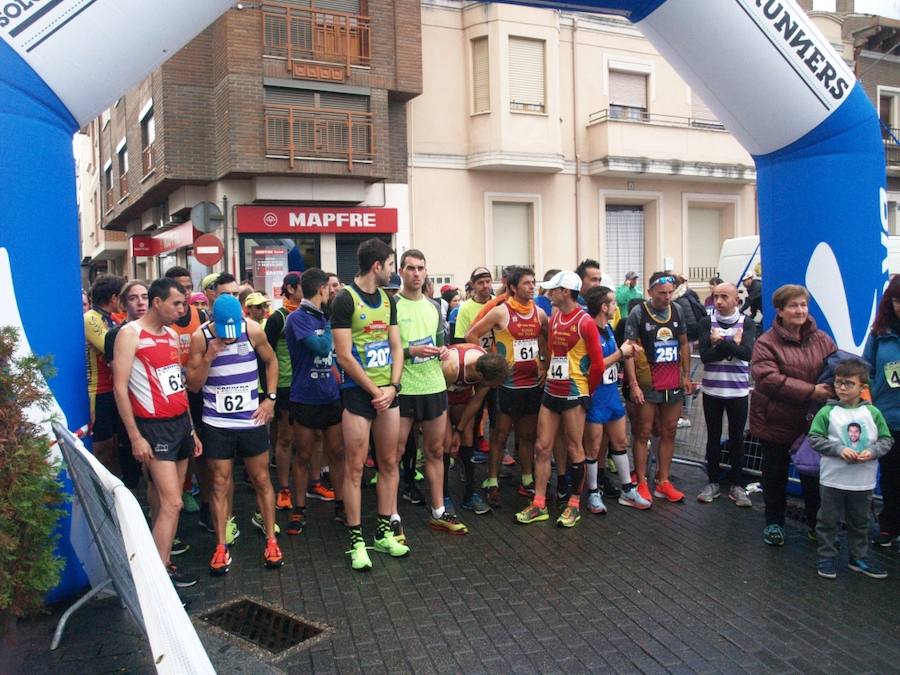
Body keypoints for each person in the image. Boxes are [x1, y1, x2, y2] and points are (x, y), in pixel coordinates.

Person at [112, 277, 201, 589]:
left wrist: (191, 429)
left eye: (184, 304)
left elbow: (178, 385)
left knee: (168, 503)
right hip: (153, 426)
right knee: (173, 502)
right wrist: (135, 435)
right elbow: (119, 388)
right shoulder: (130, 334)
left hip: (179, 423)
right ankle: (156, 580)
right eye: (176, 303)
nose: (181, 309)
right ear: (157, 302)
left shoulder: (172, 336)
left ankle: (163, 563)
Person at [186, 294, 283, 575]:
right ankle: (220, 545)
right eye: (224, 333)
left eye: (233, 332)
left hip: (250, 419)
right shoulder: (200, 338)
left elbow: (272, 362)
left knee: (261, 478)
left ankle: (271, 539)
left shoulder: (252, 329)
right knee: (219, 482)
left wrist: (271, 399)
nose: (230, 338)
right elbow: (192, 385)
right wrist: (209, 356)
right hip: (217, 422)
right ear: (212, 320)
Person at [332, 238, 407, 570]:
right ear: (377, 266)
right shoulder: (344, 300)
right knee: (355, 467)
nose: (393, 270)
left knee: (390, 462)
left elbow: (396, 345)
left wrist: (392, 385)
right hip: (358, 394)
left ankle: (383, 532)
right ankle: (355, 540)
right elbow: (344, 356)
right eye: (390, 264)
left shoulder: (389, 300)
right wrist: (374, 390)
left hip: (387, 393)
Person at [515, 271, 604, 528]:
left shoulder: (585, 321)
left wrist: (586, 391)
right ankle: (539, 503)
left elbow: (597, 364)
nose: (549, 293)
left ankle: (574, 504)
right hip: (552, 391)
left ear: (565, 292)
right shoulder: (554, 318)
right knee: (542, 448)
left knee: (575, 449)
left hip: (574, 393)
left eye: (554, 289)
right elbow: (552, 352)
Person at [750, 284, 835, 546]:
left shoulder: (822, 339)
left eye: (803, 305)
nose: (800, 310)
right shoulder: (766, 343)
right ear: (780, 311)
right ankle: (774, 524)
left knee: (814, 478)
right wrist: (812, 391)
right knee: (774, 477)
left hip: (811, 422)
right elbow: (768, 379)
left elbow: (834, 368)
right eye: (793, 306)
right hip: (774, 421)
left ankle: (815, 526)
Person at [393, 249, 467, 535]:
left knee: (436, 451)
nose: (415, 273)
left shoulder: (435, 306)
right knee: (394, 454)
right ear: (401, 271)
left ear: (426, 272)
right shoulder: (392, 305)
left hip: (434, 386)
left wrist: (444, 351)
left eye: (420, 268)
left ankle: (438, 511)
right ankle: (392, 517)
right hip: (403, 388)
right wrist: (411, 351)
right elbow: (386, 349)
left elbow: (439, 345)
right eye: (410, 268)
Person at [465, 266, 548, 505]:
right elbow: (472, 334)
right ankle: (491, 480)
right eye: (526, 283)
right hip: (507, 384)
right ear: (513, 287)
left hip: (531, 384)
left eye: (533, 282)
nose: (532, 286)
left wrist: (543, 362)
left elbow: (544, 339)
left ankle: (527, 479)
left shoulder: (539, 313)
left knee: (527, 435)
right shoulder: (501, 312)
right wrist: (491, 361)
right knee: (500, 435)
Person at [807, 358, 891, 579]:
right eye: (838, 383)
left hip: (862, 480)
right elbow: (814, 438)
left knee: (860, 520)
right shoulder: (827, 412)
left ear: (863, 388)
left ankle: (858, 557)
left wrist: (872, 452)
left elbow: (885, 439)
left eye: (848, 383)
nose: (842, 388)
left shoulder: (873, 413)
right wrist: (837, 449)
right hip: (833, 478)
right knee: (828, 519)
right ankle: (826, 557)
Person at [623, 272, 695, 504]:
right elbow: (629, 350)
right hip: (648, 382)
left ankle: (663, 481)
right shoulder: (638, 313)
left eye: (670, 293)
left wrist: (686, 375)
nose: (667, 297)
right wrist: (633, 384)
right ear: (650, 292)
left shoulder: (678, 310)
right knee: (643, 431)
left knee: (669, 430)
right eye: (662, 293)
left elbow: (684, 343)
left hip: (672, 380)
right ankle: (641, 481)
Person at [284, 268, 345, 535]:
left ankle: (342, 504)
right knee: (304, 455)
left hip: (331, 394)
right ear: (320, 290)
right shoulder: (297, 318)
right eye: (329, 288)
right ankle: (299, 509)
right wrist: (331, 324)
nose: (332, 292)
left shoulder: (324, 316)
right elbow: (322, 348)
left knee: (337, 453)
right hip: (305, 396)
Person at [582, 286, 650, 511]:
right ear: (603, 307)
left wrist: (628, 351)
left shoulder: (608, 328)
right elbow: (596, 365)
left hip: (611, 394)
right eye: (612, 303)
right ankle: (593, 492)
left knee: (620, 442)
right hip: (595, 396)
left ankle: (628, 490)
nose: (615, 307)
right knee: (593, 447)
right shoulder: (589, 329)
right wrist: (621, 353)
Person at [697, 282, 757, 506]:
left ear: (736, 301)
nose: (719, 301)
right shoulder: (706, 321)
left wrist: (720, 342)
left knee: (737, 439)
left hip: (738, 391)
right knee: (712, 437)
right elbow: (705, 356)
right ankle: (712, 482)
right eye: (715, 297)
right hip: (712, 389)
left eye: (724, 297)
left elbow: (748, 353)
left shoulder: (747, 322)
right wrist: (733, 344)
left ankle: (737, 485)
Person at [443, 346, 509, 513]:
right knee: (444, 442)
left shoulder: (486, 367)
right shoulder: (451, 367)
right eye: (492, 385)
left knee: (467, 437)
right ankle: (443, 496)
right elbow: (439, 401)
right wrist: (449, 433)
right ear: (481, 377)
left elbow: (477, 401)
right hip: (441, 393)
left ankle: (469, 496)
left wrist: (458, 430)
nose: (493, 388)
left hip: (463, 393)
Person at [163, 266, 206, 515]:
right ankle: (182, 490)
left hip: (196, 384)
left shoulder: (199, 315)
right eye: (181, 289)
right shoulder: (163, 322)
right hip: (171, 389)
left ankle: (195, 486)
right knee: (179, 444)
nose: (186, 293)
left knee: (197, 441)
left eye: (189, 287)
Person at [862, 274, 900, 548]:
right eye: (898, 300)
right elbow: (867, 370)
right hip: (889, 419)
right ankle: (889, 526)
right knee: (891, 476)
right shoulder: (880, 334)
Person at [85, 274, 126, 476]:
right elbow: (109, 347)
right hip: (98, 392)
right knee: (103, 449)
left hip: (114, 389)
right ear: (114, 298)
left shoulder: (111, 318)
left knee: (116, 448)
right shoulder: (90, 318)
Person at [453, 267, 494, 346]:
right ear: (472, 285)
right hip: (476, 355)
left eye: (488, 281)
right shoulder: (465, 308)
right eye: (480, 283)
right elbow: (460, 340)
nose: (485, 285)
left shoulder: (500, 303)